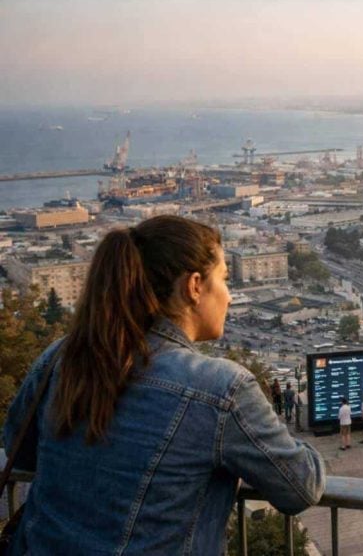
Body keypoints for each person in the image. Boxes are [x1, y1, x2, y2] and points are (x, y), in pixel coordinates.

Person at [2, 215, 326, 555]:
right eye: (225, 280)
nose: (230, 297)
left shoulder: (62, 356)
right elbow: (301, 486)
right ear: (195, 285)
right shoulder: (221, 389)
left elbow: (20, 450)